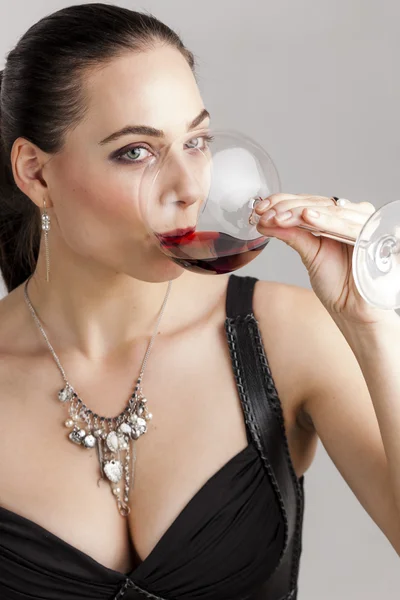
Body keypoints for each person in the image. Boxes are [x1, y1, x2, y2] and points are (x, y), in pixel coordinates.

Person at [0, 4, 399, 600]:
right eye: (136, 151)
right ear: (35, 174)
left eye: (197, 140)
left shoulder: (284, 337)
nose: (190, 188)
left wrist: (373, 324)